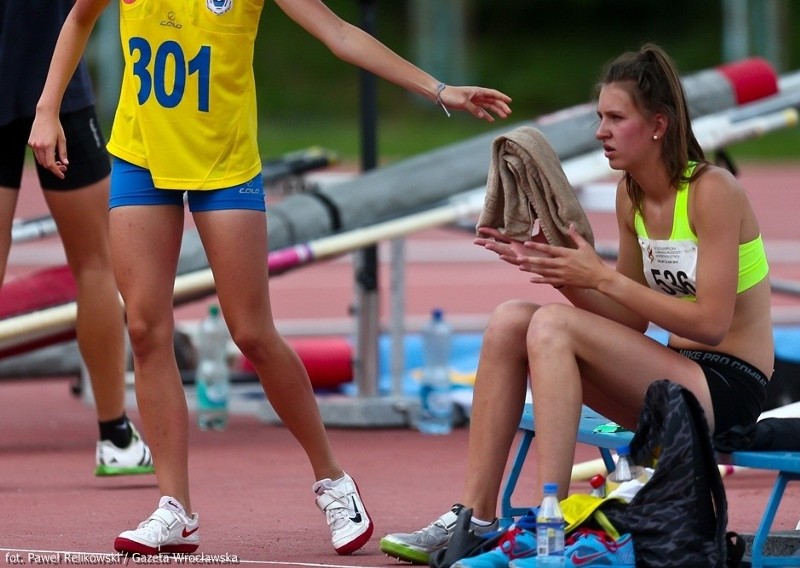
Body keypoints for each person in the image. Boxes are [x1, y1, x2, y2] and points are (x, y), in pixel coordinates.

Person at [29, 0, 512, 557]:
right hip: (141, 156)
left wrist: (438, 89)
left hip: (224, 164)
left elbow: (339, 34)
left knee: (251, 331)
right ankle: (175, 508)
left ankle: (332, 479)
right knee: (143, 327)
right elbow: (78, 17)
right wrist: (47, 110)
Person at [380, 42, 773, 563]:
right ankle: (475, 518)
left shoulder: (712, 190)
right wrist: (554, 267)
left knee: (553, 328)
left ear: (658, 124)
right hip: (670, 382)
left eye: (615, 118)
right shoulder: (631, 193)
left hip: (726, 387)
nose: (600, 131)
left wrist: (601, 280)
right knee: (511, 320)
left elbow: (710, 324)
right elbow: (631, 320)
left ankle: (552, 522)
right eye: (599, 117)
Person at [0, 1, 154, 478]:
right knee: (96, 264)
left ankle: (116, 433)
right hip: (56, 82)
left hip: (56, 82)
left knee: (97, 263)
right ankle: (115, 434)